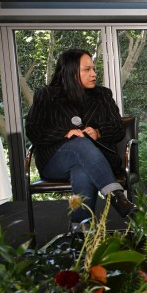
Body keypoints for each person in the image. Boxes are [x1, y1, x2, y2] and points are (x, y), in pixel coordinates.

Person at [25, 48, 137, 232]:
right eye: (87, 70)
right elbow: (34, 130)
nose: (93, 74)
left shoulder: (103, 95)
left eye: (94, 69)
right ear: (70, 71)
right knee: (79, 143)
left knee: (82, 171)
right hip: (55, 160)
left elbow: (117, 129)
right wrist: (65, 133)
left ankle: (80, 230)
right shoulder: (46, 95)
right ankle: (117, 196)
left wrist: (98, 132)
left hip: (99, 159)